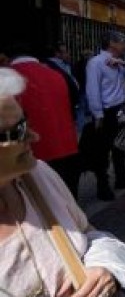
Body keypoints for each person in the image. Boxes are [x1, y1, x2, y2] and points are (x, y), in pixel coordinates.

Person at [0, 67, 125, 297]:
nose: (33, 136)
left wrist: (106, 270)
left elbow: (86, 231)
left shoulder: (38, 175)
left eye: (26, 122)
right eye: (18, 131)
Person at [9, 43, 81, 199]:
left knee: (43, 202)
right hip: (66, 144)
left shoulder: (9, 78)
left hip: (35, 152)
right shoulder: (57, 73)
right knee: (68, 196)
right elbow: (76, 96)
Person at [86, 31, 125, 200]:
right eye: (122, 41)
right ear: (112, 43)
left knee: (120, 146)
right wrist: (97, 114)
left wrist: (123, 64)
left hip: (121, 109)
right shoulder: (96, 63)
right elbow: (92, 90)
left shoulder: (121, 63)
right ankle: (103, 186)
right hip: (105, 112)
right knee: (103, 150)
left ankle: (121, 178)